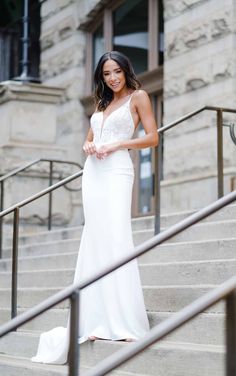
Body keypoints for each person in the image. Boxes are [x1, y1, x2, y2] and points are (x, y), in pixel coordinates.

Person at [31, 50, 158, 365]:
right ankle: (96, 320)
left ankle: (124, 320)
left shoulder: (139, 97)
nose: (112, 78)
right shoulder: (102, 104)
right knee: (96, 239)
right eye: (106, 74)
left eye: (116, 71)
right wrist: (89, 145)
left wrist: (117, 144)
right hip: (94, 172)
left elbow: (153, 138)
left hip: (116, 170)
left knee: (116, 237)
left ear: (126, 71)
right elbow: (90, 138)